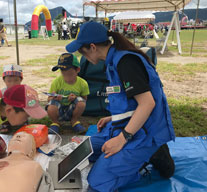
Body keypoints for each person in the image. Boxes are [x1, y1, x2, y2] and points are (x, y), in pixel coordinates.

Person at [66, 21, 175, 192]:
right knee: (84, 151)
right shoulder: (113, 61)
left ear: (93, 47)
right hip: (128, 126)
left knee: (97, 182)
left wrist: (121, 139)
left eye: (82, 51)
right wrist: (112, 118)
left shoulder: (126, 62)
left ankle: (152, 153)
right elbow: (130, 102)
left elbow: (148, 103)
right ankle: (139, 156)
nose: (82, 56)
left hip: (145, 133)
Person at [46, 53, 90, 134]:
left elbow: (85, 99)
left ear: (77, 70)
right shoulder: (56, 82)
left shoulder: (83, 83)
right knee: (51, 105)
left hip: (72, 110)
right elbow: (48, 99)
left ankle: (74, 121)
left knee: (81, 102)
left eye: (69, 74)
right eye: (63, 73)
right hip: (59, 111)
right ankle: (55, 122)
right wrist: (53, 98)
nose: (66, 77)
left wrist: (76, 98)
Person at [0, 64, 24, 134]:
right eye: (9, 81)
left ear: (21, 80)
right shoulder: (2, 92)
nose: (13, 83)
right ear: (4, 81)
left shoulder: (24, 91)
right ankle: (5, 123)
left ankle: (22, 122)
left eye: (16, 80)